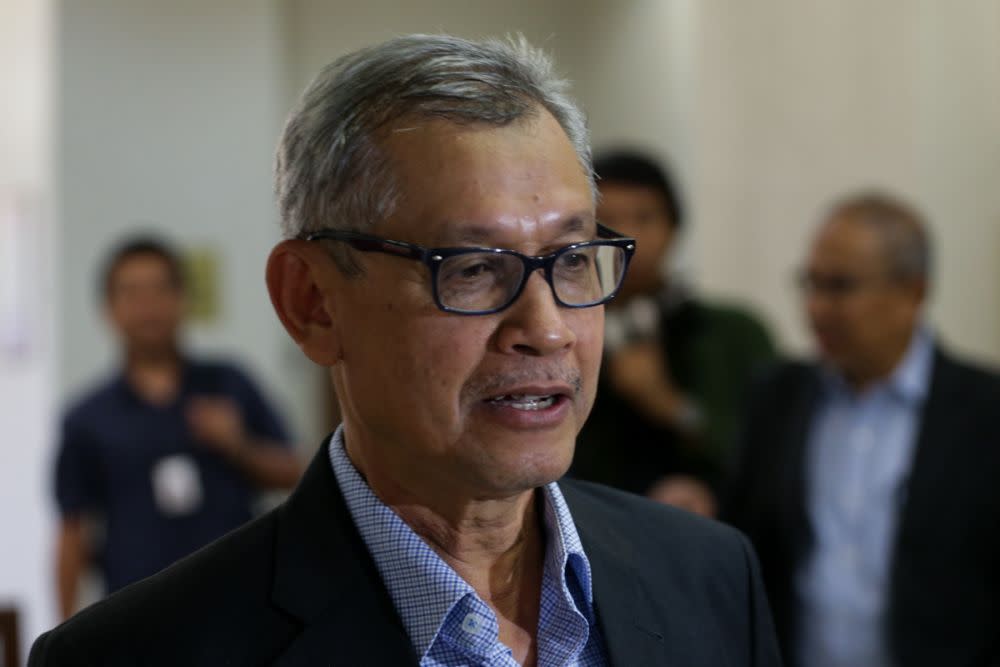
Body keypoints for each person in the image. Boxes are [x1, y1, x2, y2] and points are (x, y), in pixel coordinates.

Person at [31, 35, 781, 666]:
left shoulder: (710, 575)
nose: (548, 327)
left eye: (572, 257)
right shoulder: (137, 653)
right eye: (473, 267)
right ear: (313, 302)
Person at [724, 192, 1000, 667]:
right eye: (810, 283)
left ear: (912, 293)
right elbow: (747, 539)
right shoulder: (778, 397)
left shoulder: (984, 412)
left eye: (839, 287)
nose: (816, 308)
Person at [52, 237, 301, 619]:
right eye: (132, 293)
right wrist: (62, 634)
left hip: (241, 606)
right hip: (135, 618)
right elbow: (72, 531)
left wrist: (238, 446)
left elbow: (295, 473)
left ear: (183, 299)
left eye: (161, 289)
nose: (148, 306)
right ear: (109, 309)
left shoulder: (229, 383)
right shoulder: (87, 417)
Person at [572, 151, 776, 514]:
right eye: (607, 221)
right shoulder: (563, 333)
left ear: (674, 227)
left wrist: (672, 406)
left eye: (644, 218)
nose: (627, 237)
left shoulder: (736, 333)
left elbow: (774, 455)